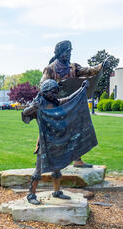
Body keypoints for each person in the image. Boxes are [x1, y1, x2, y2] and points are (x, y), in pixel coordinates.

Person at [22, 78, 96, 205]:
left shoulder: (56, 102)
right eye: (52, 92)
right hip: (44, 143)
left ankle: (56, 191)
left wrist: (82, 89)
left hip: (58, 141)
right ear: (45, 91)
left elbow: (69, 99)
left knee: (57, 169)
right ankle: (31, 194)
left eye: (56, 92)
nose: (55, 95)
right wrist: (32, 108)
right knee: (38, 170)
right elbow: (24, 114)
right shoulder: (39, 103)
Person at [41, 40, 109, 168]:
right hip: (57, 106)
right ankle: (45, 160)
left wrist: (101, 66)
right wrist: (54, 88)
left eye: (70, 51)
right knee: (55, 134)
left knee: (78, 130)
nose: (69, 54)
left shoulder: (73, 67)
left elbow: (89, 71)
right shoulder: (50, 69)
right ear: (60, 53)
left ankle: (77, 159)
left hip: (72, 105)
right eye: (67, 51)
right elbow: (43, 86)